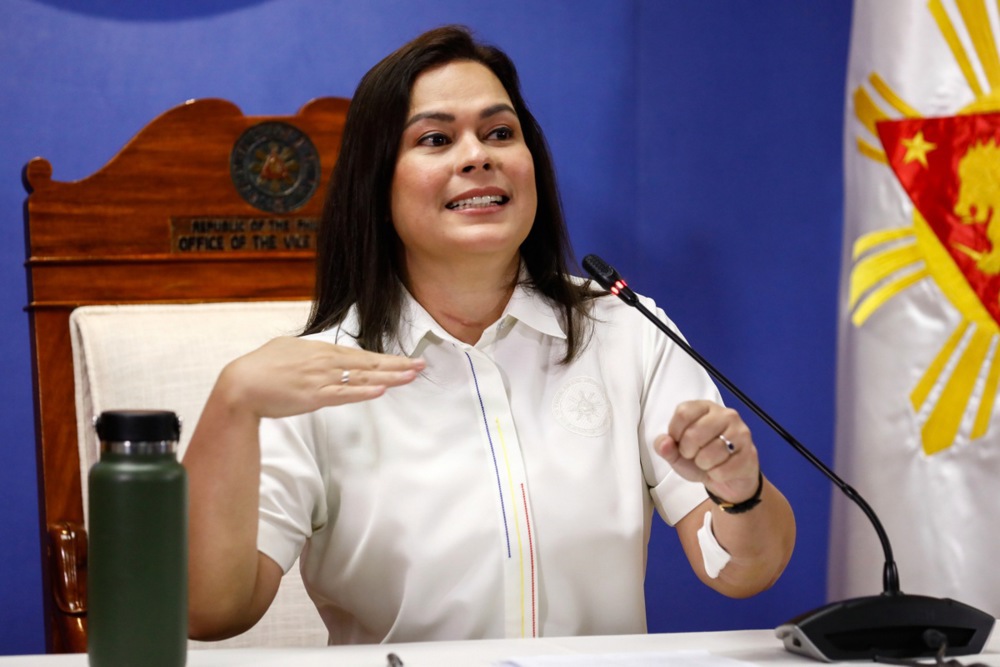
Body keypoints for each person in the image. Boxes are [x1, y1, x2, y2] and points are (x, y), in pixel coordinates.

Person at [184, 25, 795, 644]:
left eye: (500, 133)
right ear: (378, 183)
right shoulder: (313, 378)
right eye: (436, 139)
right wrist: (232, 406)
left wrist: (740, 492)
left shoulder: (624, 330)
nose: (478, 156)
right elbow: (210, 613)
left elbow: (742, 573)